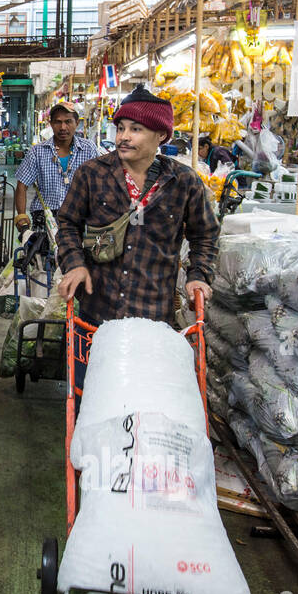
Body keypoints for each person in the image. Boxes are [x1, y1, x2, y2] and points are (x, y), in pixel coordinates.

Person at [56, 85, 220, 395]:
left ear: (161, 136)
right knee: (88, 395)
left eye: (136, 129)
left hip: (153, 318)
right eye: (120, 128)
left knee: (141, 399)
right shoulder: (92, 174)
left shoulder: (184, 182)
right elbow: (67, 223)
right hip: (96, 316)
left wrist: (198, 275)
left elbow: (205, 234)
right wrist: (75, 264)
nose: (123, 136)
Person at [15, 102, 98, 234]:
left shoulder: (89, 149)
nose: (63, 127)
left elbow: (99, 184)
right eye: (58, 122)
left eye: (68, 121)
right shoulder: (37, 152)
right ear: (51, 123)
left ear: (77, 123)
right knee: (43, 253)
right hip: (45, 219)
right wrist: (21, 216)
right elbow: (22, 185)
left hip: (78, 218)